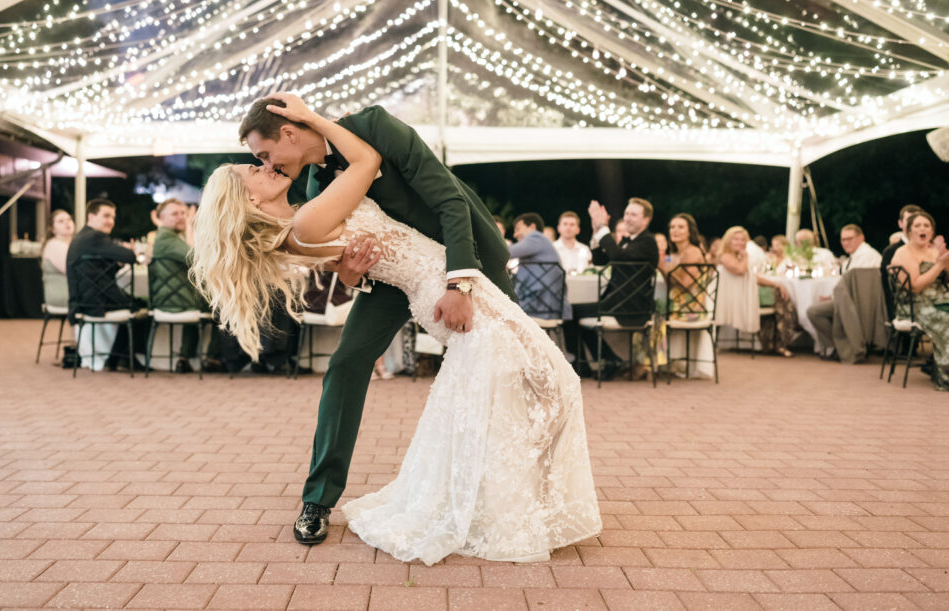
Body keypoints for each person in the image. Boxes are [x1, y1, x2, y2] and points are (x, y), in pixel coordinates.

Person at [191, 94, 600, 564]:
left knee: (510, 375)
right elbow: (337, 246)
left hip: (462, 256)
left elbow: (448, 199)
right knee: (346, 363)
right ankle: (318, 500)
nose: (264, 163)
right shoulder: (307, 186)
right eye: (257, 163)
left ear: (288, 132)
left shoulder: (373, 127)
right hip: (398, 278)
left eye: (264, 154)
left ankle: (519, 496)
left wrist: (460, 279)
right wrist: (349, 273)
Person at [566, 197, 658, 378]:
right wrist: (596, 233)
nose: (628, 218)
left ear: (646, 220)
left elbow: (617, 256)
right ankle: (603, 360)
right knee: (569, 311)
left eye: (633, 214)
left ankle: (599, 362)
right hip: (617, 302)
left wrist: (603, 228)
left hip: (631, 307)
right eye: (626, 214)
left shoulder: (647, 242)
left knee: (570, 311)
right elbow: (601, 260)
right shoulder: (629, 241)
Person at [66, 199, 146, 369]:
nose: (111, 221)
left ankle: (121, 357)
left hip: (82, 299)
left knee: (136, 305)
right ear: (91, 216)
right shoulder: (95, 237)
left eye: (113, 217)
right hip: (96, 301)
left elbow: (98, 269)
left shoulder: (82, 237)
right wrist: (130, 252)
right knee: (142, 310)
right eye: (106, 216)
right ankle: (119, 358)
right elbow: (129, 257)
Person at [150, 198, 222, 373]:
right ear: (161, 218)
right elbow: (197, 259)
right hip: (174, 300)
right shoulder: (166, 238)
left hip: (176, 297)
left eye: (183, 213)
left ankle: (185, 357)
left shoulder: (172, 237)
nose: (181, 217)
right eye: (175, 214)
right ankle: (213, 357)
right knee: (224, 307)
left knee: (206, 301)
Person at [716, 226, 796, 357]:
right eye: (736, 239)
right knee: (780, 302)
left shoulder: (739, 256)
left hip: (743, 296)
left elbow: (752, 277)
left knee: (783, 298)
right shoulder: (725, 256)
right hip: (730, 299)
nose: (740, 242)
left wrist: (776, 284)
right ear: (728, 240)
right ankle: (777, 342)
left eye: (743, 240)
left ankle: (779, 341)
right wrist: (745, 256)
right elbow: (741, 271)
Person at [889, 212, 949, 388]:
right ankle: (945, 376)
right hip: (915, 304)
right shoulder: (903, 253)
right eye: (917, 226)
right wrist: (939, 265)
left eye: (927, 226)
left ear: (932, 231)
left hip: (941, 300)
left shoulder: (935, 251)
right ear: (908, 231)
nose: (923, 229)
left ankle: (935, 366)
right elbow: (914, 286)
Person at [805, 224, 883, 359]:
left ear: (861, 238)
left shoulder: (867, 256)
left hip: (859, 305)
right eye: (843, 240)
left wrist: (834, 298)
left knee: (814, 311)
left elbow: (857, 290)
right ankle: (842, 346)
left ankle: (843, 346)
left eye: (850, 239)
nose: (846, 243)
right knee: (816, 308)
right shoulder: (854, 256)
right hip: (850, 300)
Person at [510, 213, 571, 320]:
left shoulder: (536, 237)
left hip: (538, 306)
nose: (515, 235)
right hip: (546, 305)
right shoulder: (543, 242)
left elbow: (506, 253)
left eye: (518, 229)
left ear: (532, 227)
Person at [882, 205, 925, 319]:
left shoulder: (932, 249)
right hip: (909, 307)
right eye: (909, 220)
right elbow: (887, 288)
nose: (913, 225)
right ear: (900, 224)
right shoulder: (891, 251)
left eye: (916, 221)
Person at [40, 209, 75, 308]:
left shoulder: (71, 244)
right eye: (61, 221)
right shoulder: (54, 245)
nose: (66, 223)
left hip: (71, 293)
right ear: (52, 229)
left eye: (69, 219)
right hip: (62, 294)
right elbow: (72, 270)